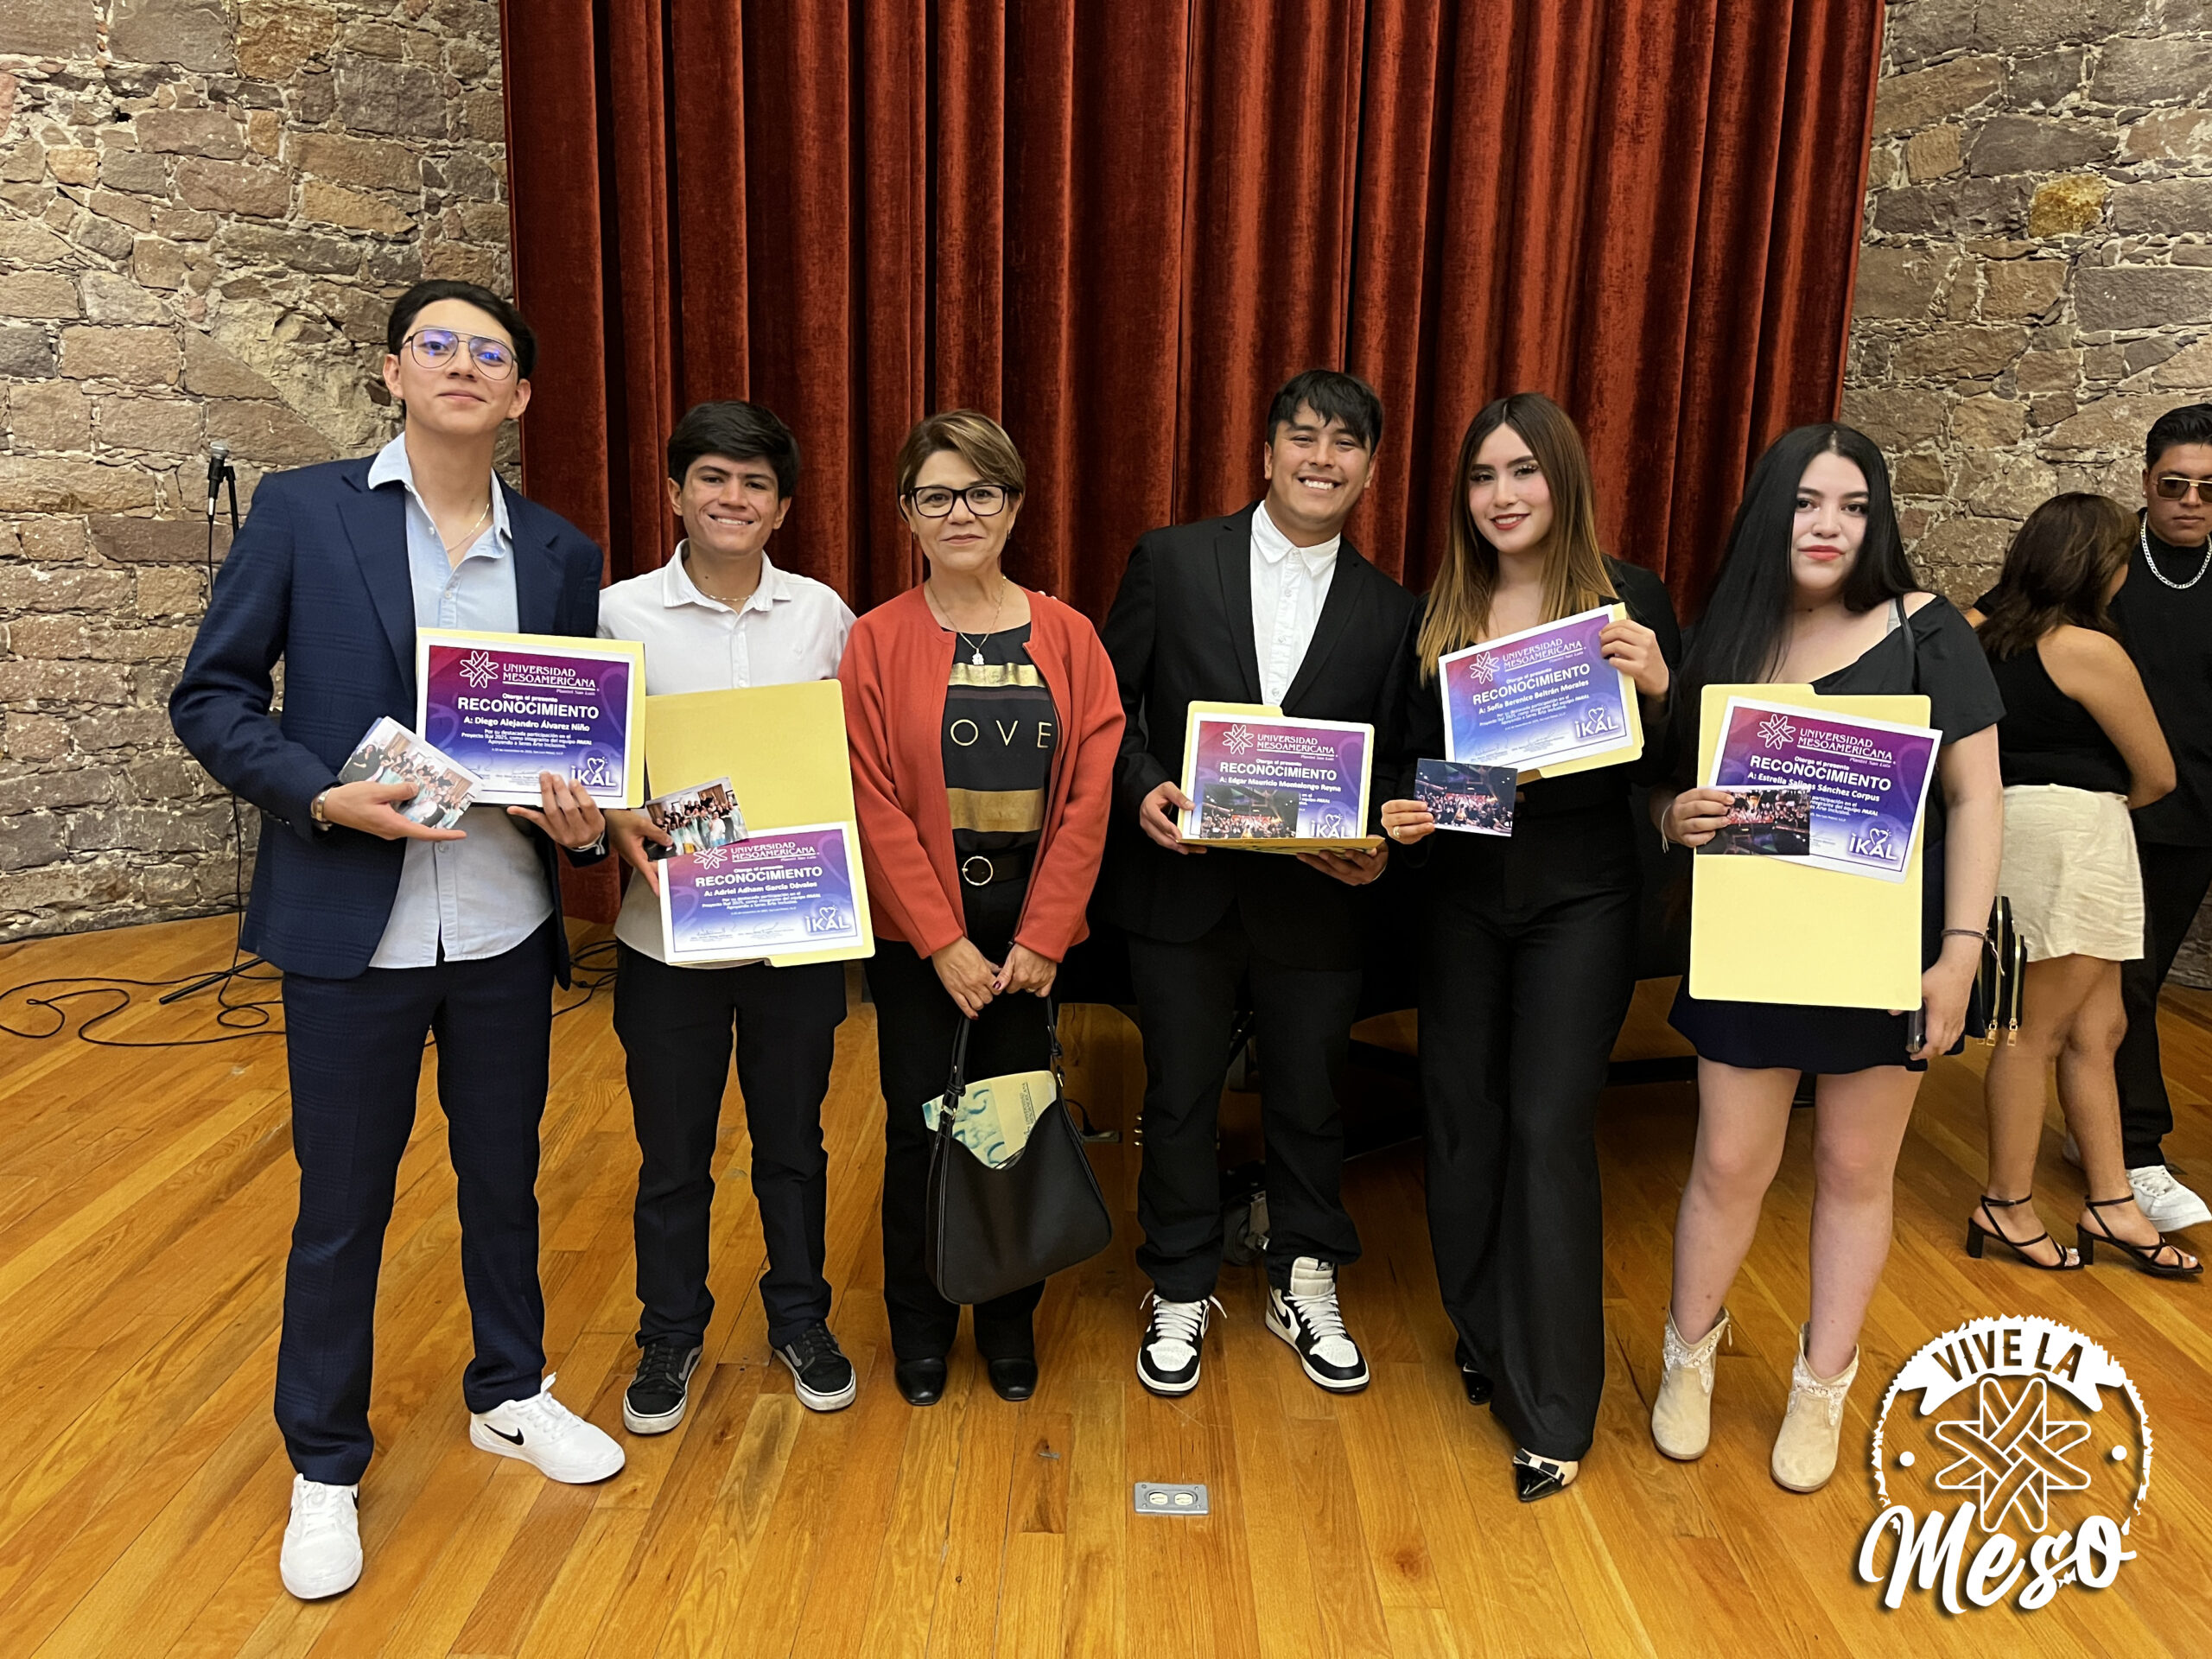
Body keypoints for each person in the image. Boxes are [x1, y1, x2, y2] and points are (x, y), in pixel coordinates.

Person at [169, 280, 625, 1603]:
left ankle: (510, 1392)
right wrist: (319, 794)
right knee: (342, 1207)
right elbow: (211, 695)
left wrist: (585, 824)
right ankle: (324, 1465)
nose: (462, 364)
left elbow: (578, 747)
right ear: (393, 373)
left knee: (504, 1182)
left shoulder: (560, 553)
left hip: (503, 926)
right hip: (348, 928)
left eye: (490, 352)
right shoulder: (304, 512)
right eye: (438, 344)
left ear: (521, 395)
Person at [1648, 423, 2005, 1494]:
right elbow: (1667, 788)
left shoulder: (1926, 630)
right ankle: (1687, 1357)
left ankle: (1822, 1383)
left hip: (1881, 957)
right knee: (1726, 1166)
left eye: (1853, 506)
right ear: (1772, 511)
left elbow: (1977, 798)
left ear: (1876, 520)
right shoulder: (1726, 637)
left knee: (1855, 1171)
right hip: (1752, 948)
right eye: (1807, 502)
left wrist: (1958, 955)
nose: (1829, 525)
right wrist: (1674, 817)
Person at [1376, 393, 1680, 1502]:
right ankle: (1484, 1332)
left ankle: (1554, 1407)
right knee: (1462, 1119)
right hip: (1460, 896)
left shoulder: (1625, 600)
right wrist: (1408, 810)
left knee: (1549, 1129)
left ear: (1563, 480)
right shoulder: (1437, 614)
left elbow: (1674, 768)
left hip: (1581, 899)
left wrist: (1662, 685)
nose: (1502, 496)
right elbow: (1409, 765)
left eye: (1522, 472)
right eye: (1481, 477)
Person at [1099, 369, 1417, 1398]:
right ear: (1267, 451)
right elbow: (1108, 705)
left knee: (1311, 1100)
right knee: (1178, 1096)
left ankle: (1304, 1274)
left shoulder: (1394, 610)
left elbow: (1400, 763)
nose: (1322, 458)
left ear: (1369, 469)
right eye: (1304, 436)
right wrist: (1140, 787)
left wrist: (1379, 844)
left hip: (1316, 900)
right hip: (1181, 888)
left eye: (1345, 443)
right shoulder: (1171, 560)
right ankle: (1179, 1283)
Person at [839, 410, 1122, 1407]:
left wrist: (1042, 937)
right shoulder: (875, 640)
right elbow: (872, 802)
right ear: (907, 514)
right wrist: (941, 941)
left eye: (980, 492)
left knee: (1014, 1128)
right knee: (920, 1131)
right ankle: (919, 1325)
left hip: (1029, 942)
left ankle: (1007, 1318)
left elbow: (1088, 798)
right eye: (936, 496)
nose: (959, 513)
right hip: (924, 942)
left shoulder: (1071, 636)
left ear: (1013, 505)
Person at [595, 402, 859, 1433]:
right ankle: (670, 1330)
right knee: (672, 1155)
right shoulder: (618, 614)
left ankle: (801, 1317)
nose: (732, 498)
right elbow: (593, 769)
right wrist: (616, 816)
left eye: (755, 484)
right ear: (675, 493)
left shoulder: (824, 615)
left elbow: (850, 757)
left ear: (782, 507)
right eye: (712, 477)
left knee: (794, 1145)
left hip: (795, 932)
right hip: (666, 938)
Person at [1965, 494, 2199, 1278]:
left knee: (2098, 1031)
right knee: (2032, 1033)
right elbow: (2157, 773)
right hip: (2075, 838)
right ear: (2100, 566)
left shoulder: (1982, 637)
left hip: (2019, 830)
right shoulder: (2087, 649)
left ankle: (2112, 1200)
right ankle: (2005, 1203)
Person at [2104, 404, 2212, 1230]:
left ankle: (2109, 1132)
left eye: (2208, 488)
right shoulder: (2104, 559)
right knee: (2127, 981)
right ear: (2145, 482)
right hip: (2111, 808)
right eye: (2174, 485)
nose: (2191, 501)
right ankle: (2135, 1151)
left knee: (2137, 979)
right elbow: (2003, 618)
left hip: (2197, 817)